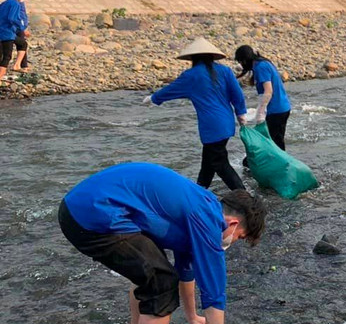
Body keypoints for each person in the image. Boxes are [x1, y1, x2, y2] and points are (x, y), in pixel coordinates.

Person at [59, 162, 266, 324]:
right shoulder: (209, 223)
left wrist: (192, 317)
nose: (234, 241)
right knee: (161, 283)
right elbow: (214, 294)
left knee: (151, 271)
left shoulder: (204, 205)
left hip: (80, 206)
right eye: (240, 236)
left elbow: (186, 272)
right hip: (92, 215)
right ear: (233, 223)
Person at [144, 38, 248, 190]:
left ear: (192, 58)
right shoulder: (225, 71)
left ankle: (244, 196)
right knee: (208, 162)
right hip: (226, 122)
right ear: (212, 56)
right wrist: (241, 114)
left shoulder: (191, 75)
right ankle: (200, 190)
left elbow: (171, 90)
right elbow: (237, 95)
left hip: (211, 127)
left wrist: (153, 98)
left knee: (220, 164)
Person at [234, 45, 291, 152]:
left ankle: (281, 166)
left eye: (241, 62)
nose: (241, 65)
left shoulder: (261, 67)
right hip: (283, 107)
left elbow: (268, 91)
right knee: (275, 141)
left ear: (245, 60)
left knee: (274, 143)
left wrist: (260, 112)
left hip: (276, 110)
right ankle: (280, 165)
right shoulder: (263, 63)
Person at [0, 0, 27, 82]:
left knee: (1, 55)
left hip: (1, 31)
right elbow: (12, 18)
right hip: (7, 33)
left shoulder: (4, 3)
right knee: (7, 57)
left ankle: (17, 65)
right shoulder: (16, 4)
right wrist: (21, 27)